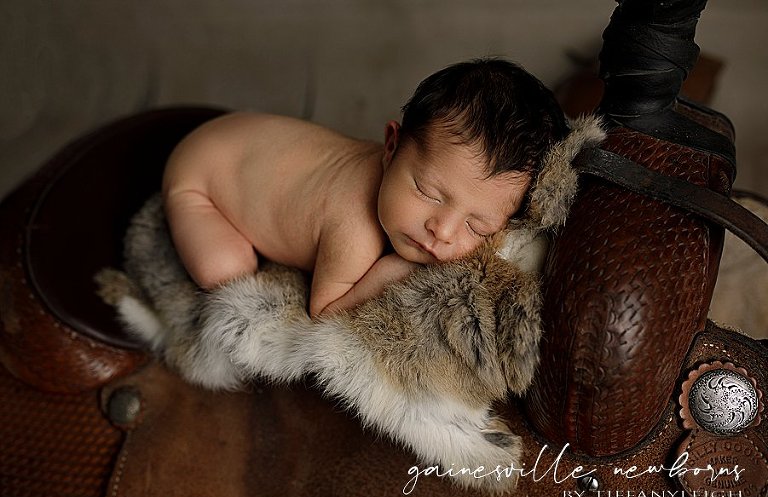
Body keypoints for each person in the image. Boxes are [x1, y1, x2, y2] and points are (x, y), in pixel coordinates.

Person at [162, 57, 568, 318]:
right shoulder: (354, 228)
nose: (442, 231)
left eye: (477, 227)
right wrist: (388, 271)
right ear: (390, 147)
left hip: (247, 141)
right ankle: (191, 199)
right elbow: (324, 313)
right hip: (200, 170)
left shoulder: (414, 174)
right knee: (227, 272)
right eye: (428, 192)